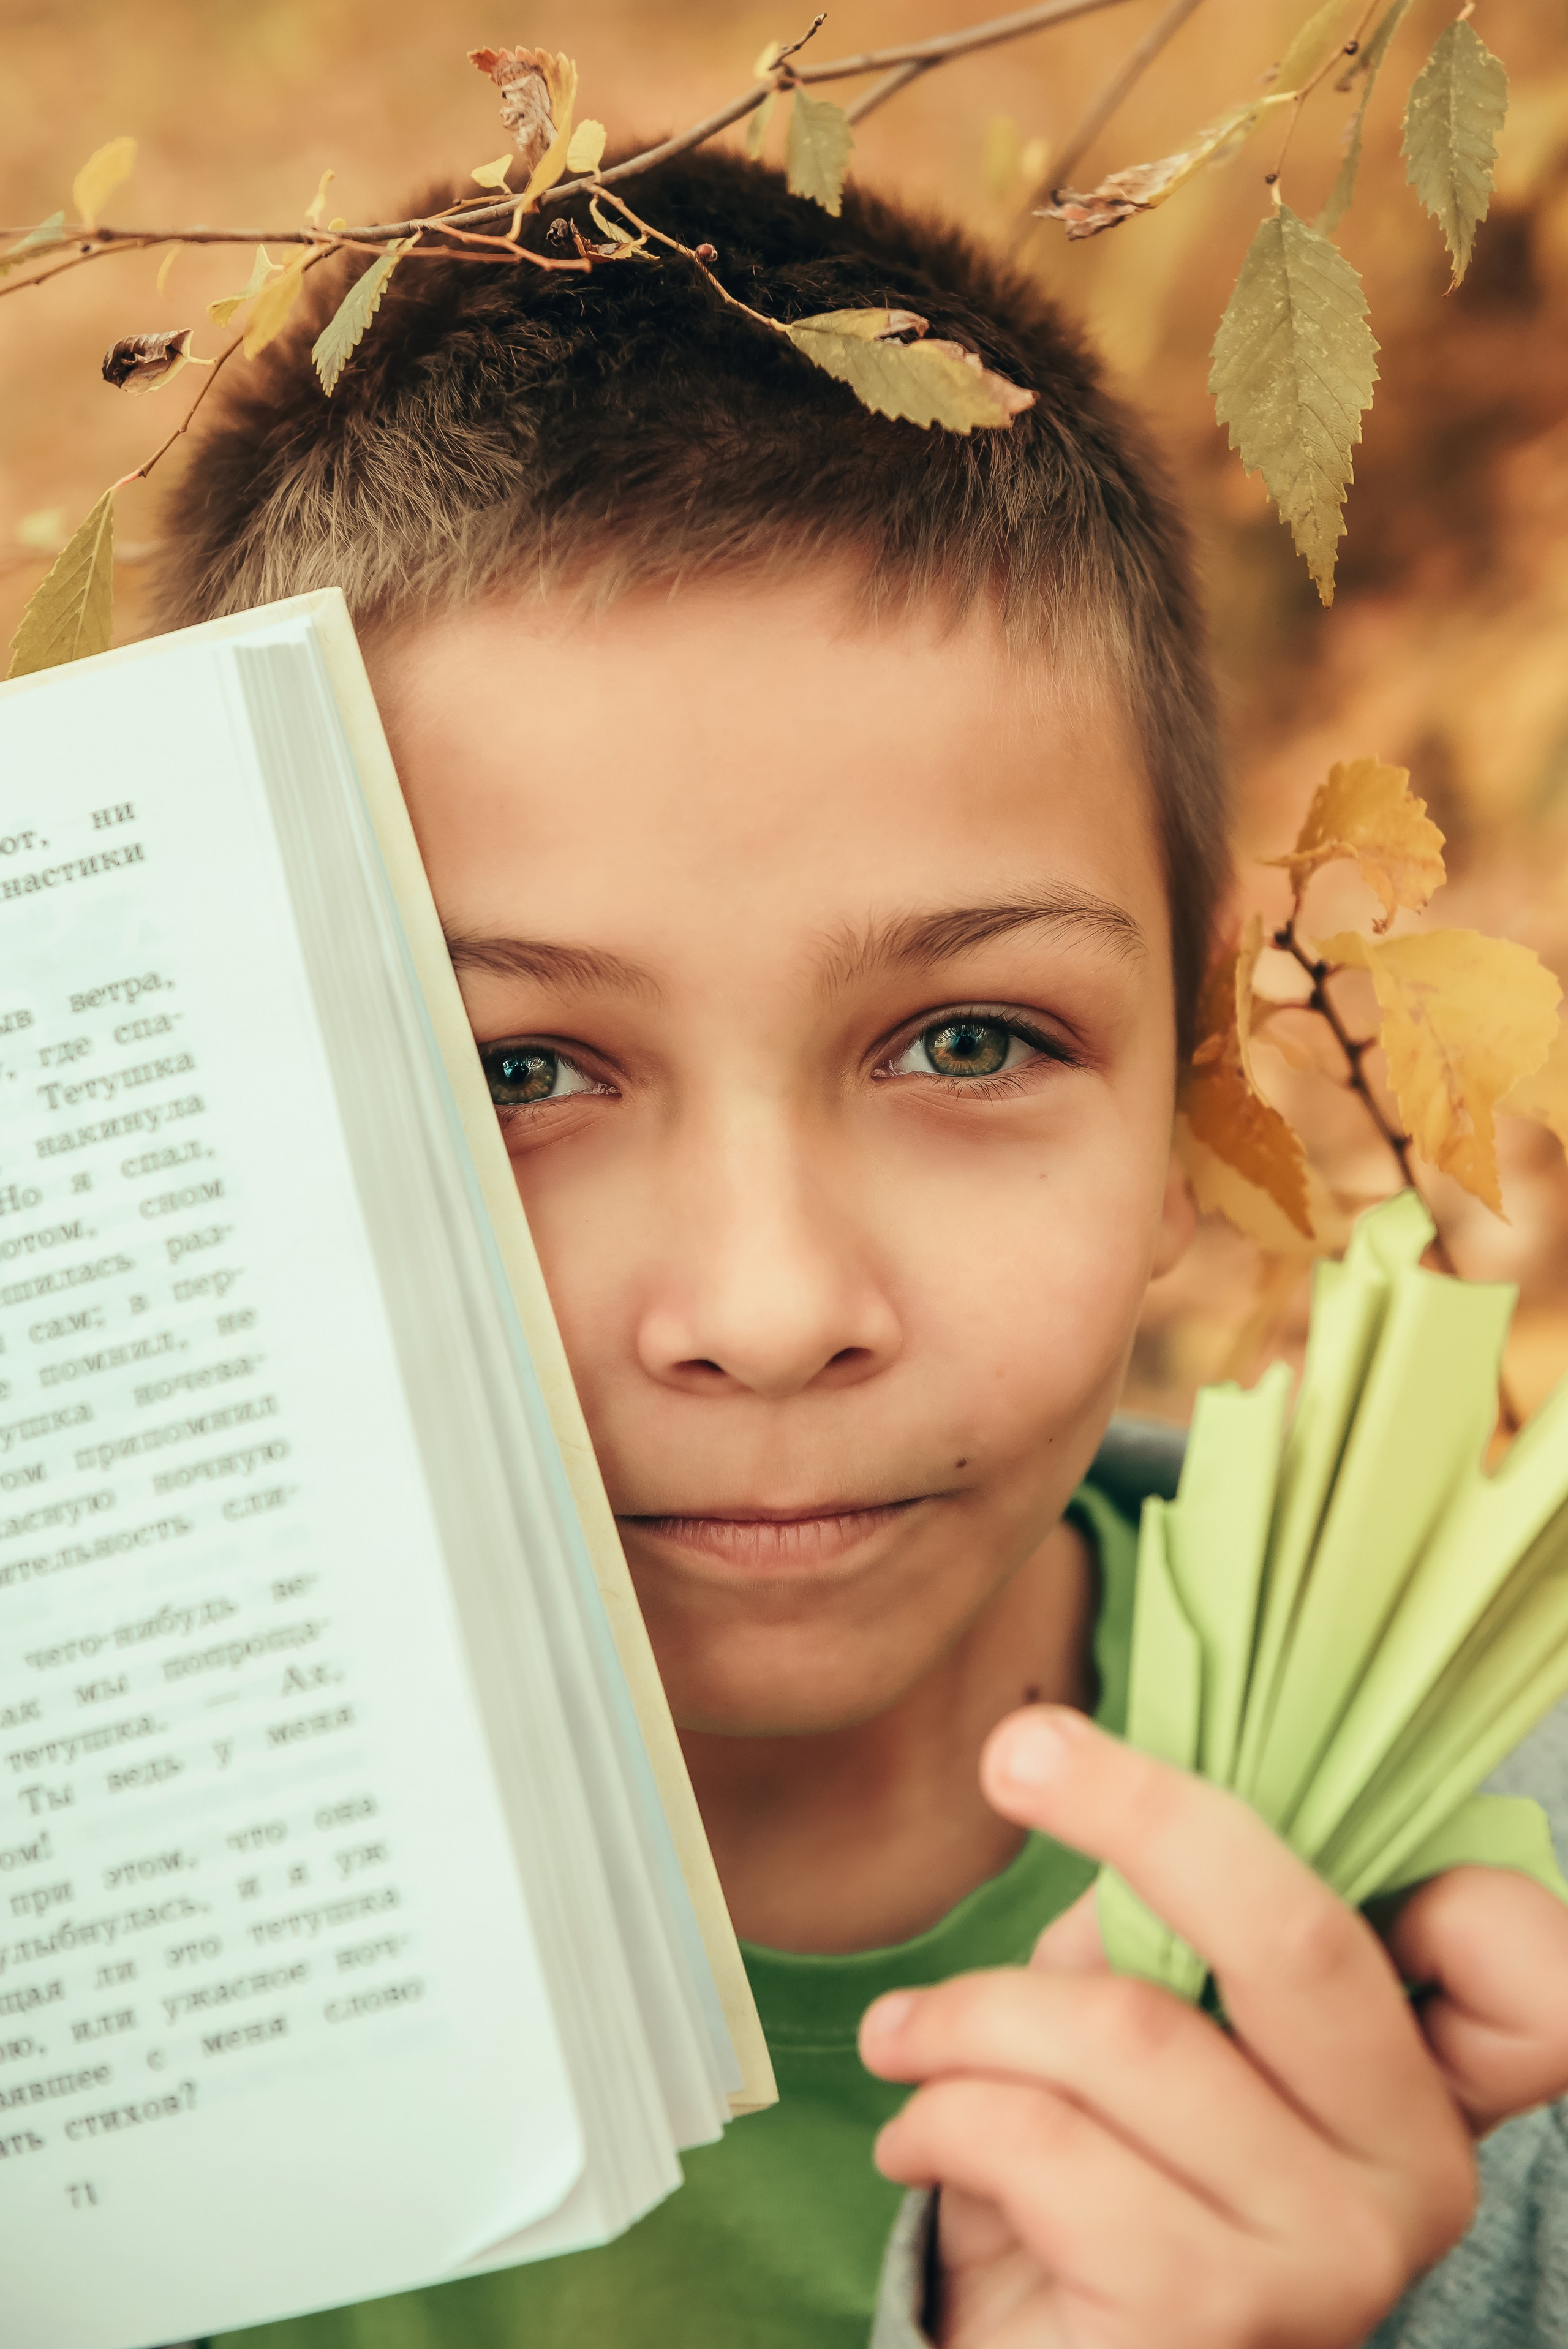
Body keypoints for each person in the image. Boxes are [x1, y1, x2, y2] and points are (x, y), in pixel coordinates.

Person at [151, 149, 1568, 2349]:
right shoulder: (95, 2026)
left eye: (970, 1036)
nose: (776, 1307)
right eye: (521, 1073)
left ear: (1191, 1073)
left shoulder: (1518, 1948)